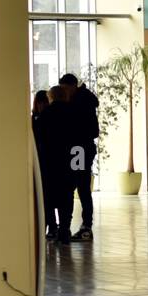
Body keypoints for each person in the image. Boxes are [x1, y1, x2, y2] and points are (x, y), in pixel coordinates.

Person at [59, 73, 100, 242]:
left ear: (71, 86)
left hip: (78, 149)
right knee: (82, 187)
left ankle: (85, 226)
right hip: (82, 148)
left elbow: (83, 128)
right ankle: (86, 226)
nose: (64, 93)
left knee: (79, 186)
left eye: (64, 89)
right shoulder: (86, 100)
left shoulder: (79, 103)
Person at [37, 85, 77, 245]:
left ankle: (53, 228)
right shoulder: (74, 113)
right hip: (69, 161)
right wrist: (78, 164)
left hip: (50, 163)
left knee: (50, 196)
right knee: (67, 196)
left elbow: (40, 141)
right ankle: (65, 229)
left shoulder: (46, 115)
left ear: (51, 97)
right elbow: (79, 140)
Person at [32, 90, 53, 239]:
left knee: (46, 196)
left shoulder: (37, 119)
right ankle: (51, 226)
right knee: (48, 196)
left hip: (42, 161)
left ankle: (49, 226)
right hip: (49, 161)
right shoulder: (43, 118)